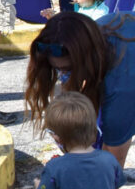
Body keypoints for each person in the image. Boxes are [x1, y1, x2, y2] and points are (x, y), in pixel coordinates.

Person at [25, 11, 135, 168]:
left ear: (87, 58)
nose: (63, 76)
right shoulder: (93, 32)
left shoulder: (120, 86)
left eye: (67, 69)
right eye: (57, 69)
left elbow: (112, 165)